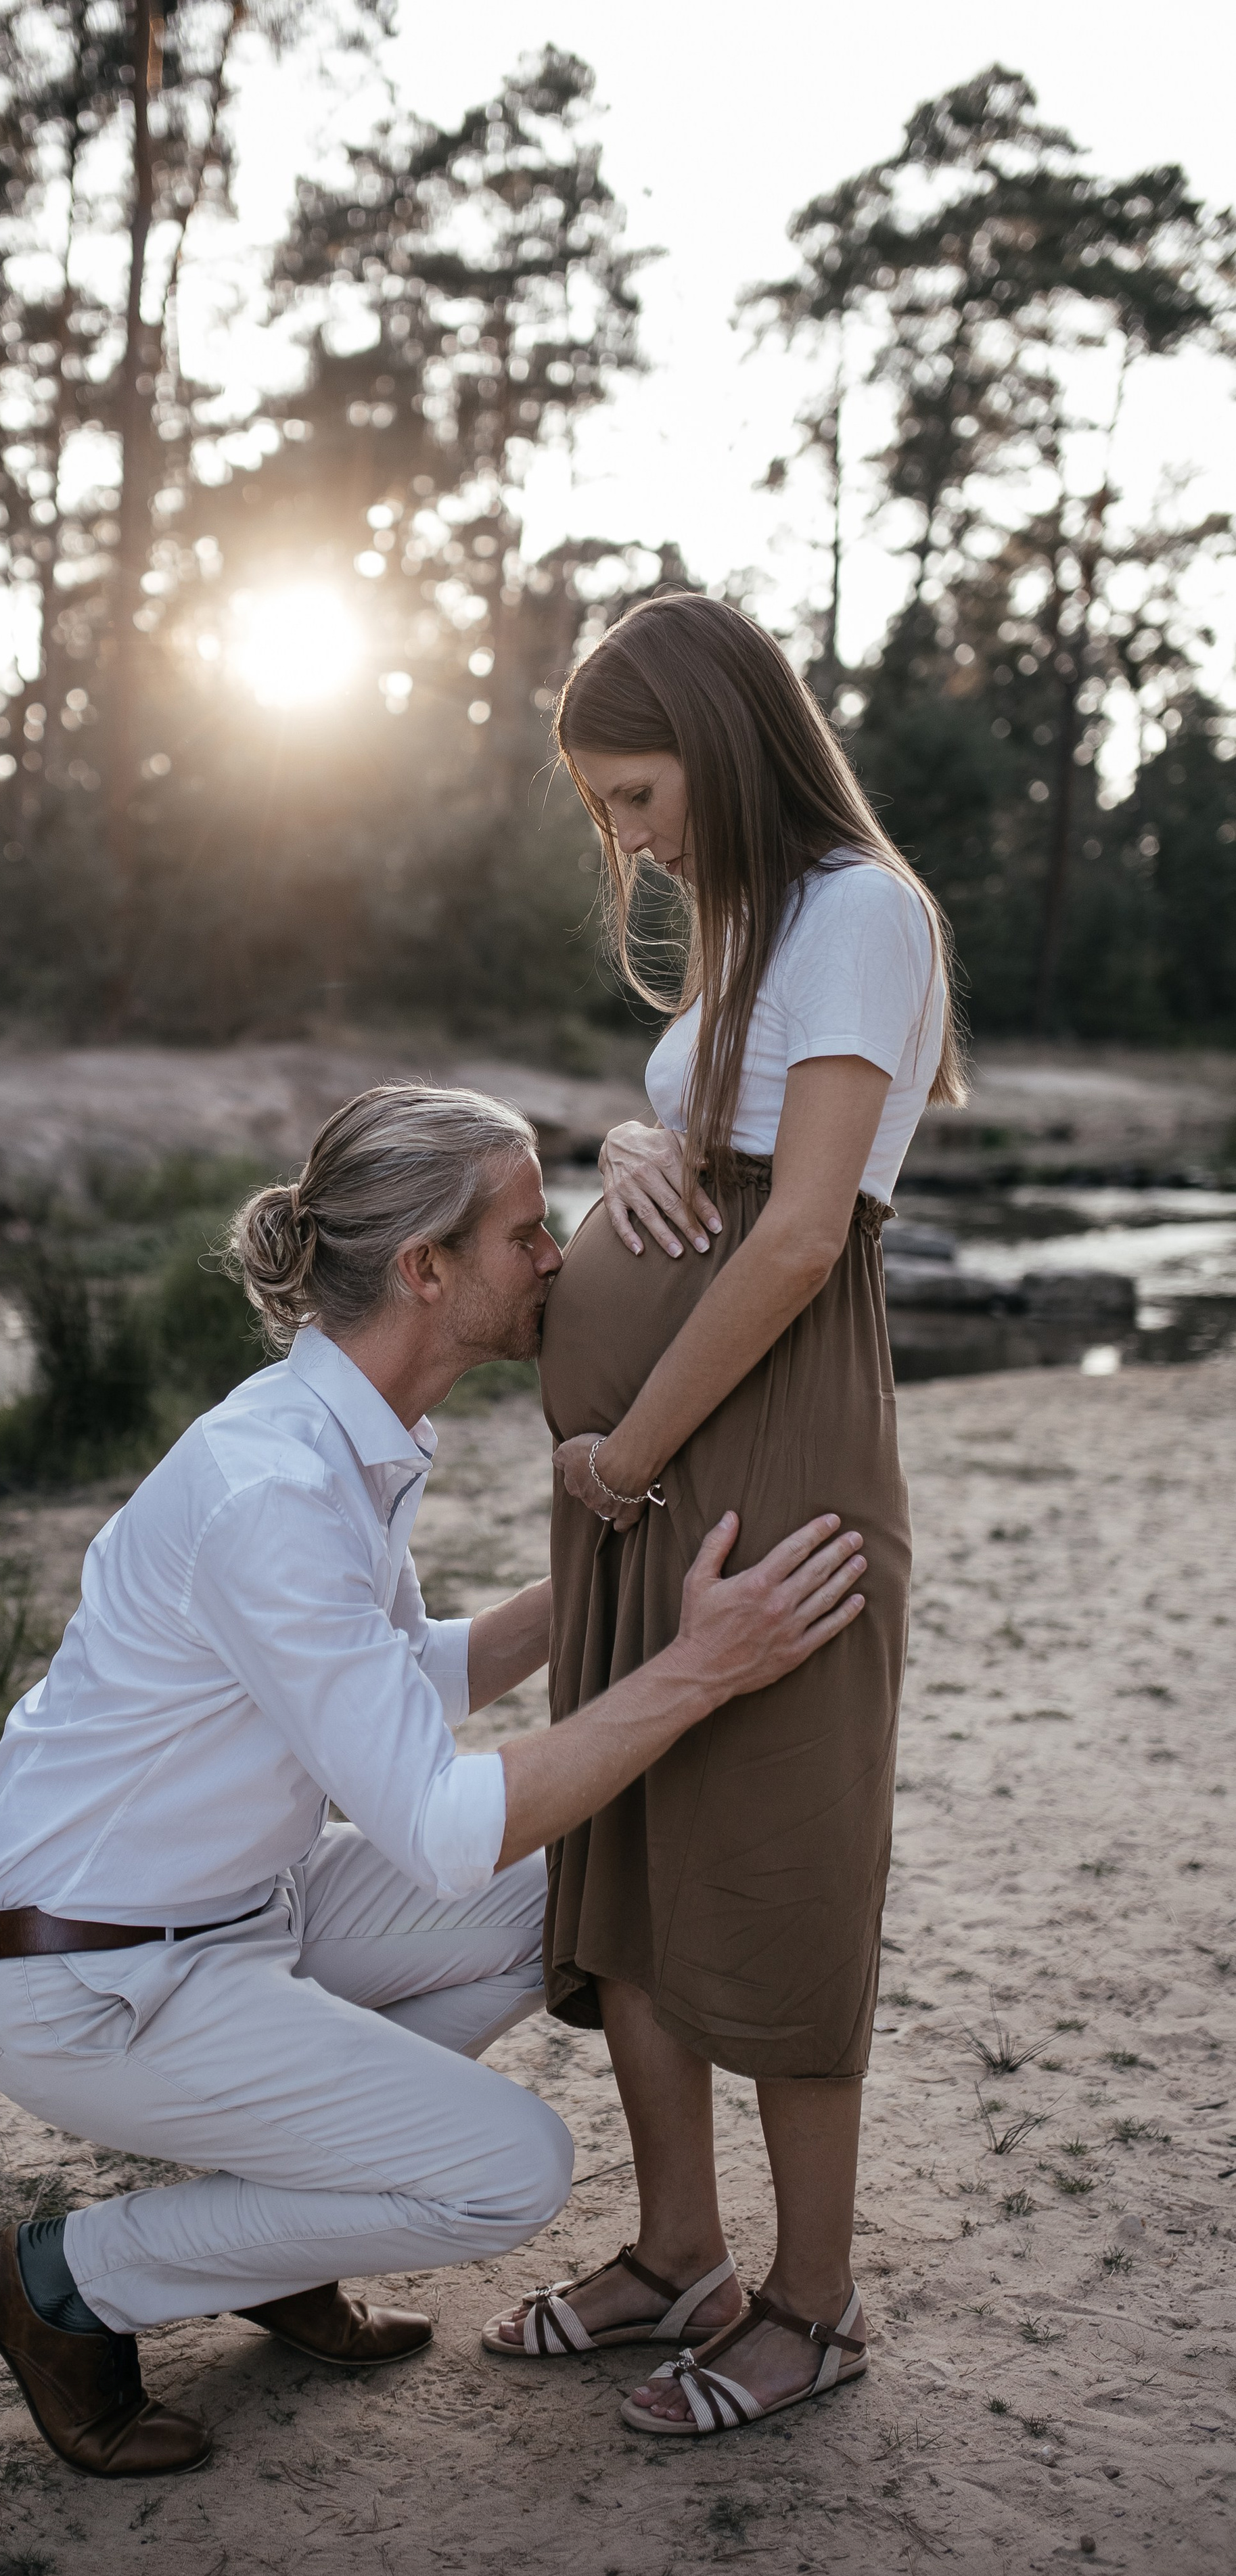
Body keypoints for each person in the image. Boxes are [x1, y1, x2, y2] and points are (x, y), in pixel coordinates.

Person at [0, 1081, 867, 2478]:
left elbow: (397, 1685)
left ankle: (281, 2242)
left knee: (571, 1872)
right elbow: (436, 1828)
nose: (552, 1257)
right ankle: (63, 2282)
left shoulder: (354, 1438)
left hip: (232, 1912)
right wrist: (699, 1667)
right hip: (95, 1978)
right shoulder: (274, 1491)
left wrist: (602, 1562)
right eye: (522, 1233)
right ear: (426, 1272)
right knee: (509, 2169)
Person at [485, 593, 962, 2439]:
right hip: (651, 1466)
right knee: (639, 1867)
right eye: (605, 809)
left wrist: (622, 1453)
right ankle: (675, 2245)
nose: (629, 836)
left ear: (719, 732)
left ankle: (813, 2301)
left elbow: (799, 1232)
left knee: (766, 1858)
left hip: (741, 1448)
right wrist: (631, 1140)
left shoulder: (857, 912)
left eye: (635, 790)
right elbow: (713, 1152)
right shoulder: (762, 923)